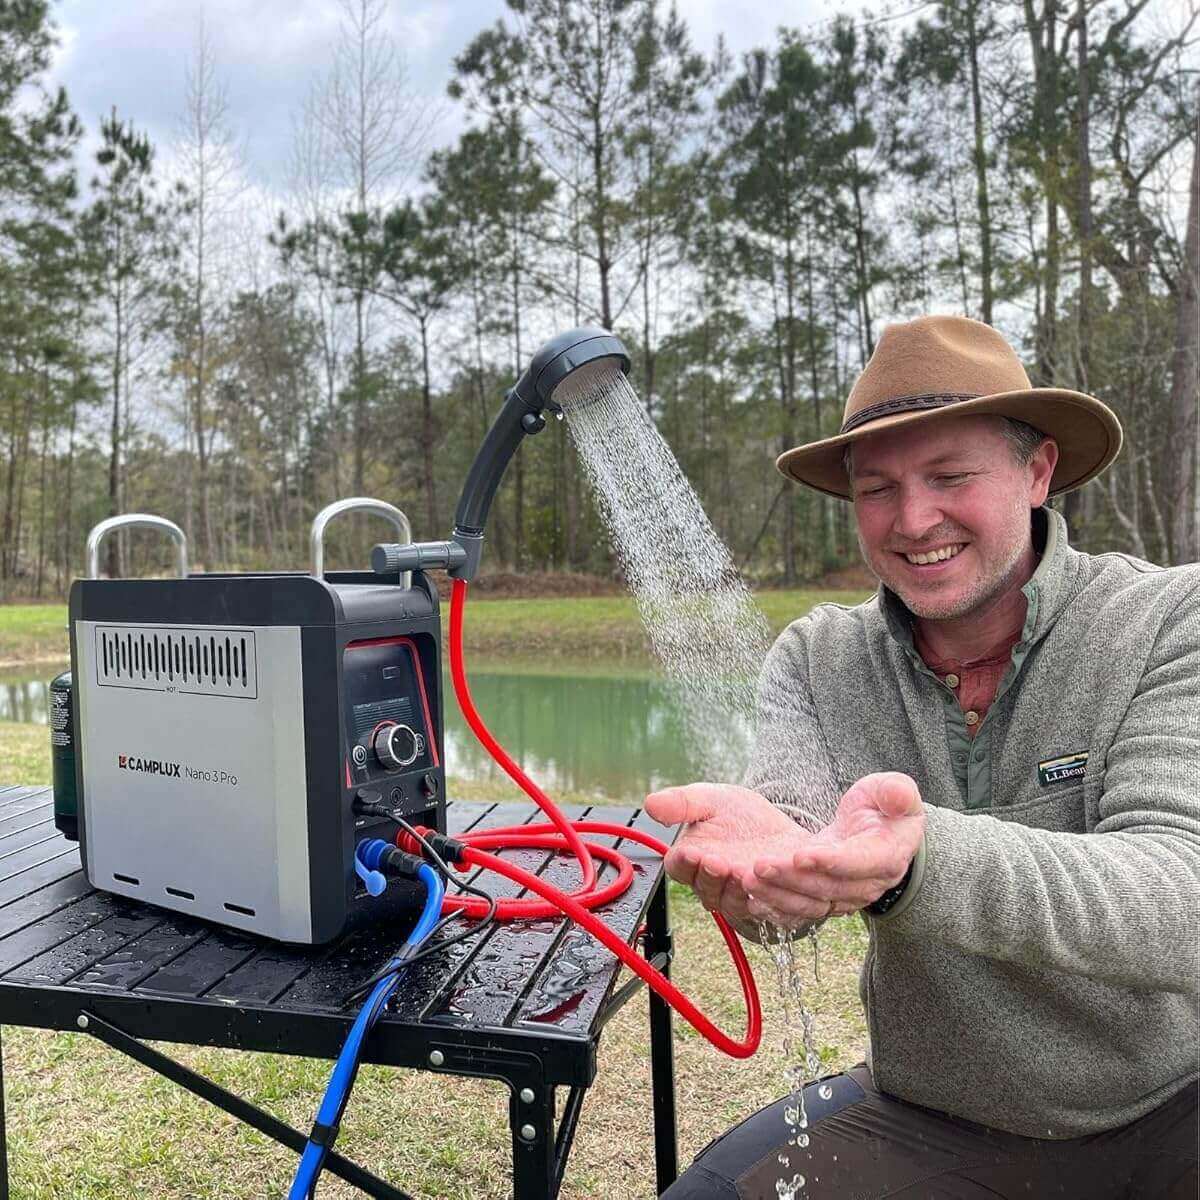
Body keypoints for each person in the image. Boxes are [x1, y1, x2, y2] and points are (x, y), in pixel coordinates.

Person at [646, 315, 1199, 1199]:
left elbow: (1182, 896)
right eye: (877, 488)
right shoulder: (818, 658)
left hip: (1171, 1106)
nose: (913, 520)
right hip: (933, 1116)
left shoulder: (1169, 620)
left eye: (950, 477)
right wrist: (769, 882)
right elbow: (787, 876)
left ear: (1038, 470)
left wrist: (918, 862)